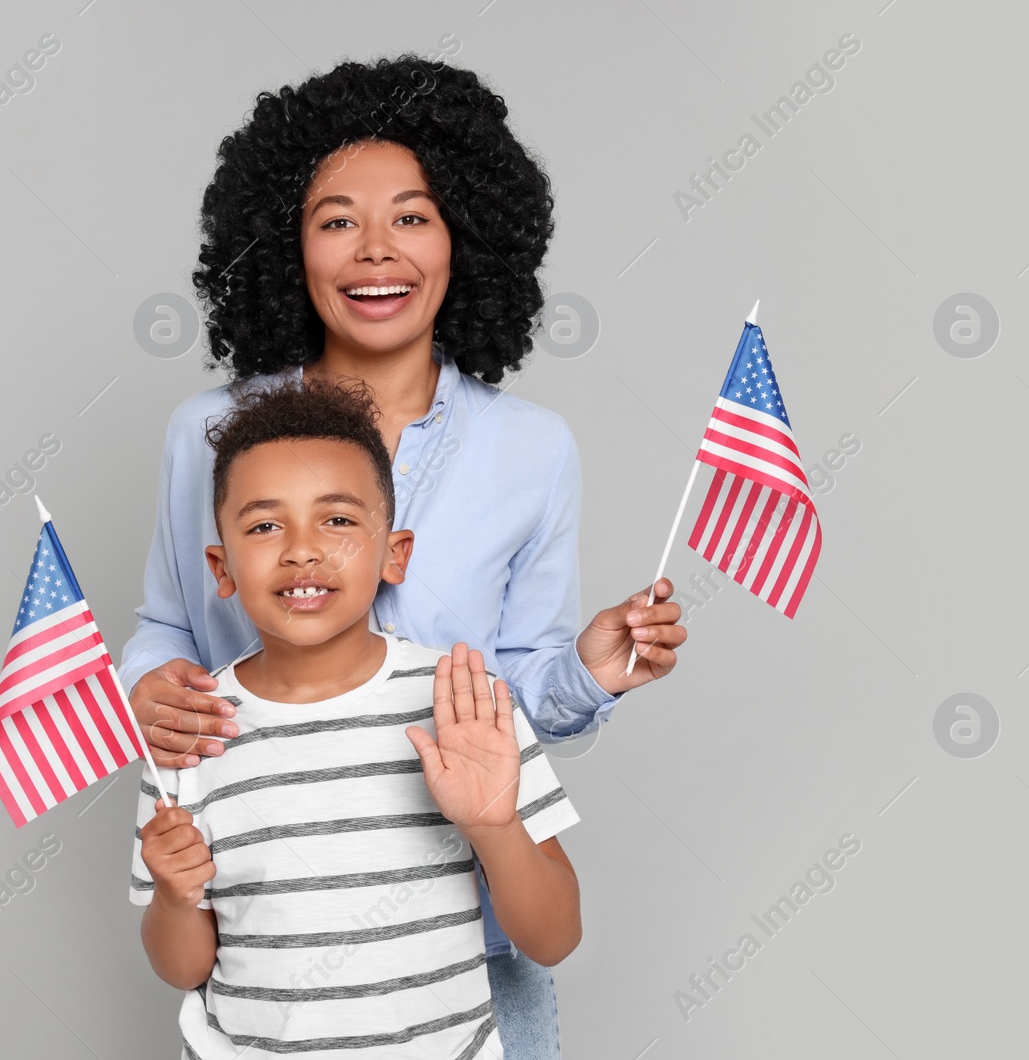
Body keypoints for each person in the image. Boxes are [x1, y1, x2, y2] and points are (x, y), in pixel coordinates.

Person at [119, 54, 686, 1056]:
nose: (374, 251)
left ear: (466, 237)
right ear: (285, 245)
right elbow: (167, 623)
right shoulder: (207, 435)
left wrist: (589, 674)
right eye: (336, 219)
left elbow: (513, 690)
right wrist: (148, 689)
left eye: (412, 216)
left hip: (464, 940)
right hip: (270, 934)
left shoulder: (534, 449)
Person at [130, 378, 580, 1058]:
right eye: (264, 524)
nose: (302, 549)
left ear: (394, 552)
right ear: (221, 567)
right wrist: (172, 894)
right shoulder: (191, 728)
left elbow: (555, 936)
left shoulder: (463, 702)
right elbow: (182, 966)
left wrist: (495, 826)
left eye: (337, 519)